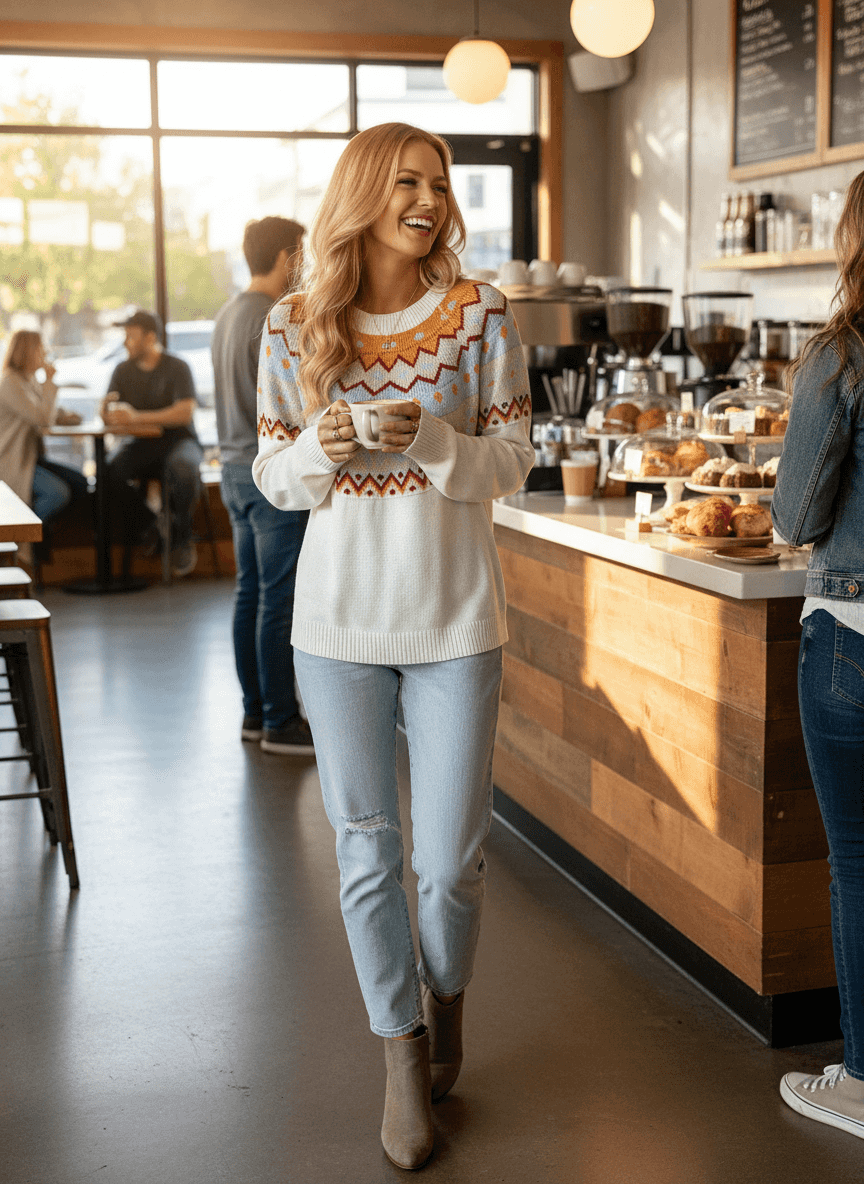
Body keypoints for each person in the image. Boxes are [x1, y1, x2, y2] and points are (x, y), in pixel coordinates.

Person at [253, 123, 534, 1169]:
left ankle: (446, 995)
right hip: (337, 626)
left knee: (450, 862)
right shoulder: (293, 324)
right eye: (407, 181)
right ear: (364, 192)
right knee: (366, 850)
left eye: (438, 184)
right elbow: (271, 478)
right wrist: (317, 450)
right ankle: (400, 1051)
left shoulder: (480, 312)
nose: (428, 199)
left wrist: (435, 439)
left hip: (455, 618)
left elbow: (514, 460)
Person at [773, 170, 864, 1141]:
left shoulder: (843, 356)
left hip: (853, 637)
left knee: (861, 862)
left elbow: (796, 515)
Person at [212, 216, 313, 755]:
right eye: (302, 254)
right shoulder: (273, 317)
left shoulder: (228, 313)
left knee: (249, 593)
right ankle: (280, 721)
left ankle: (255, 713)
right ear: (285, 257)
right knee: (278, 600)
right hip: (267, 476)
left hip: (231, 470)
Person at [103, 309, 202, 578]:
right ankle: (154, 525)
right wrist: (107, 412)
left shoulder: (177, 367)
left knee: (184, 468)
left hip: (180, 440)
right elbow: (110, 411)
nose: (126, 342)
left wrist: (137, 416)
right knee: (109, 472)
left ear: (150, 338)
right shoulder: (122, 370)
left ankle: (182, 537)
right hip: (141, 443)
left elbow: (184, 412)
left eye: (131, 336)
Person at [0, 329, 88, 522]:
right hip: (12, 461)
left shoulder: (28, 379)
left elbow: (44, 409)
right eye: (41, 348)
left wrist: (66, 416)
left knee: (81, 483)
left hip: (32, 458)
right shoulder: (10, 383)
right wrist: (49, 380)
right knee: (57, 494)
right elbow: (42, 418)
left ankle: (49, 536)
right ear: (27, 351)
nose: (45, 353)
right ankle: (23, 529)